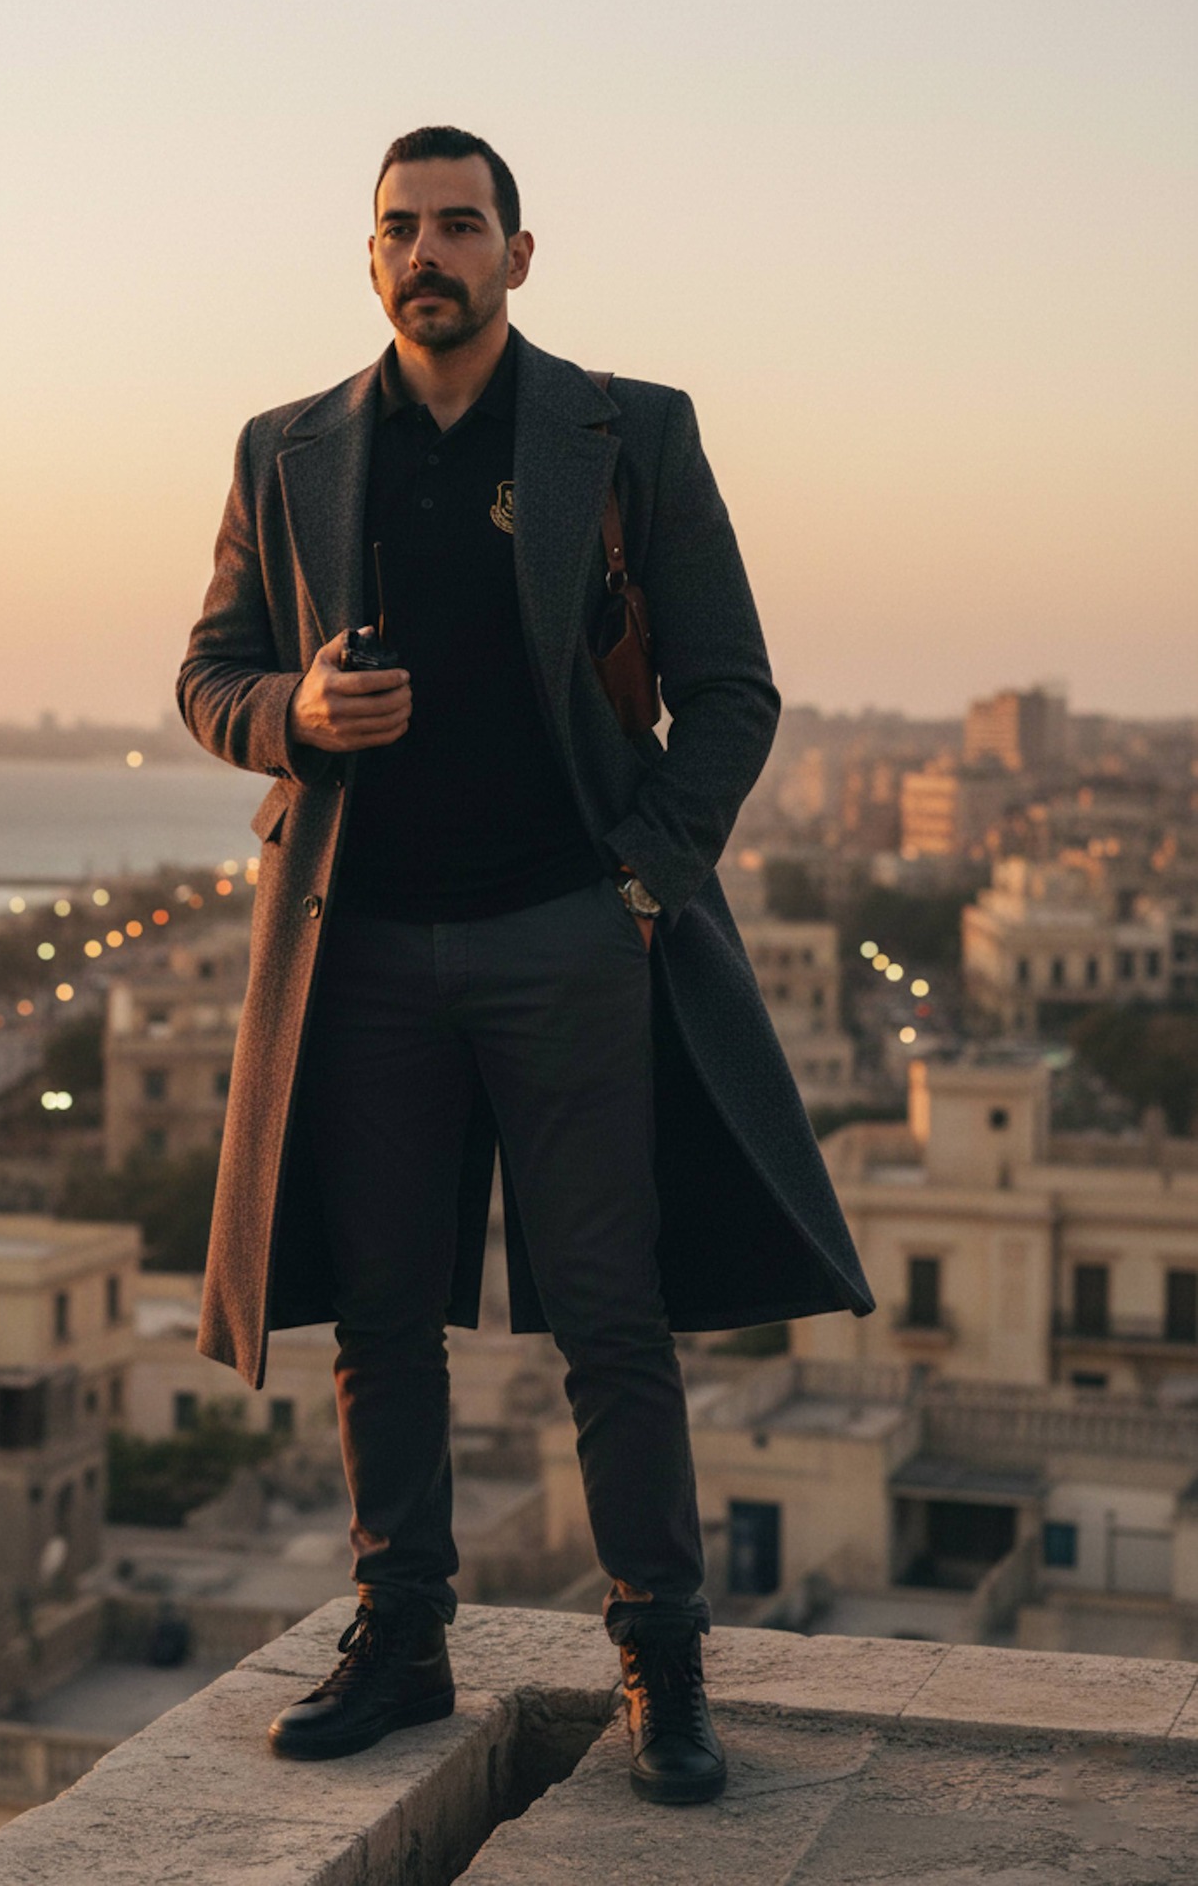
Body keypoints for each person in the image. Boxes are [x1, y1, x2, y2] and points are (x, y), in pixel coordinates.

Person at [176, 125, 873, 1805]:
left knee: (614, 1325)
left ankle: (664, 1666)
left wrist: (637, 886)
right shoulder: (287, 452)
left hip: (569, 938)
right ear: (370, 260)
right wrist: (295, 716)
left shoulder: (626, 431)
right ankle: (402, 1635)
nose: (433, 252)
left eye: (463, 225)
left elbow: (733, 691)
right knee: (382, 1321)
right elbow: (210, 672)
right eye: (402, 228)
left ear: (520, 252)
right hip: (361, 951)